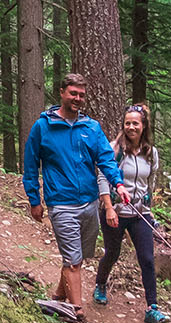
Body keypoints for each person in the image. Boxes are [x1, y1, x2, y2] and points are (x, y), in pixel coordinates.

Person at [22, 74, 132, 305]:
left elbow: (105, 159)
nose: (77, 98)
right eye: (73, 93)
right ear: (61, 92)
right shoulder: (43, 127)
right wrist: (34, 200)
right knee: (73, 260)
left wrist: (118, 184)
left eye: (81, 95)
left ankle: (59, 296)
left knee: (78, 258)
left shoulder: (91, 127)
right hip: (61, 203)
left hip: (89, 203)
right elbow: (31, 166)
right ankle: (77, 314)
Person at [93, 102, 168, 323]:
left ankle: (152, 307)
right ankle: (101, 283)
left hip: (140, 213)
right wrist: (107, 208)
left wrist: (150, 210)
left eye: (135, 123)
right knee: (113, 253)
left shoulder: (151, 153)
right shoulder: (114, 149)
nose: (131, 127)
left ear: (143, 126)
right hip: (115, 210)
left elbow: (150, 183)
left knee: (146, 258)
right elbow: (103, 178)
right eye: (127, 123)